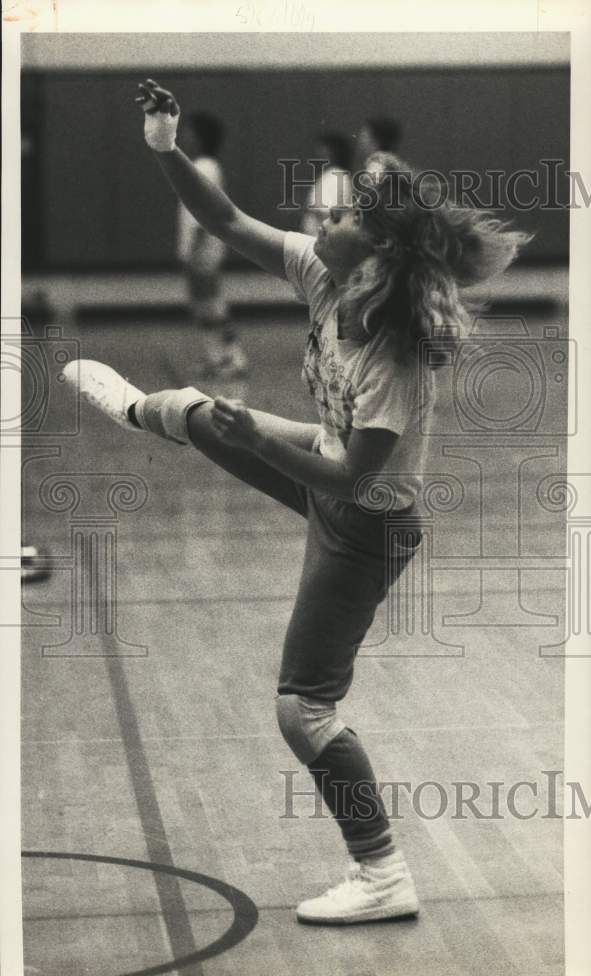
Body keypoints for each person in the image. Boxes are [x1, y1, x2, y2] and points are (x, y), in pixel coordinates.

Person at [64, 78, 530, 925]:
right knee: (196, 413)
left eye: (347, 216)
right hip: (329, 467)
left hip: (370, 524)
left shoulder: (393, 356)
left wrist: (258, 444)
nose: (327, 223)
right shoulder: (325, 272)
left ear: (378, 250)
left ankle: (383, 875)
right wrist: (164, 147)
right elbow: (227, 223)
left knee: (302, 707)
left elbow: (356, 480)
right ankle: (144, 411)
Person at [176, 111, 248, 378]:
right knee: (203, 306)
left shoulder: (205, 168)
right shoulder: (200, 166)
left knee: (212, 305)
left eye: (190, 132)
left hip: (203, 249)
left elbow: (201, 212)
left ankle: (234, 357)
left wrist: (193, 250)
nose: (185, 137)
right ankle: (215, 358)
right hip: (199, 248)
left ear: (201, 137)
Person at [301, 132, 353, 236]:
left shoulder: (338, 176)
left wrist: (309, 210)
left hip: (321, 237)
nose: (318, 154)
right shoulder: (328, 175)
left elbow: (333, 213)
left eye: (324, 150)